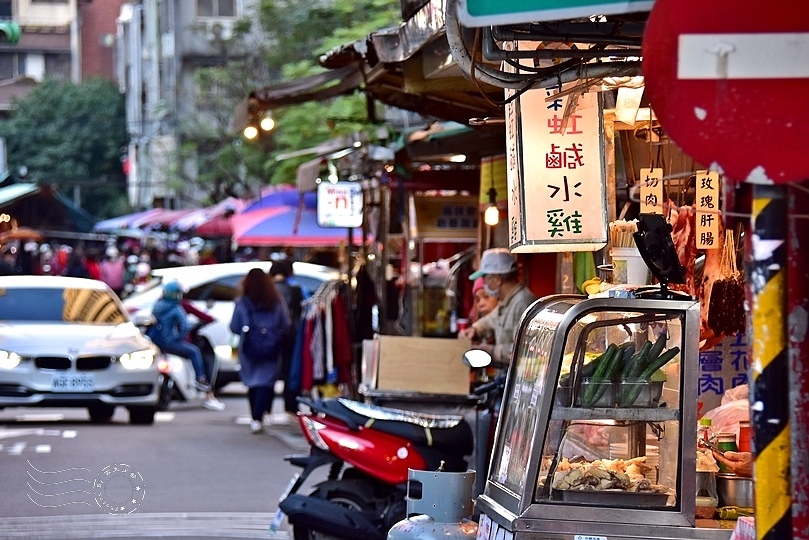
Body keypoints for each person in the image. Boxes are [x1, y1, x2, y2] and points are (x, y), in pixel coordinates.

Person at [230, 268, 291, 433]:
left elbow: (234, 326)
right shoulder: (276, 301)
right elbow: (285, 324)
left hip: (248, 347)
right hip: (272, 347)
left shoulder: (242, 302)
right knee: (265, 381)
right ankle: (260, 417)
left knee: (252, 382)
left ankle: (255, 418)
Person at [149, 281, 222, 410]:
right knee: (194, 352)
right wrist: (179, 338)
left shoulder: (157, 306)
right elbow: (185, 326)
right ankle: (201, 379)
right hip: (171, 343)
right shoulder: (177, 308)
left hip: (157, 343)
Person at [458, 248, 537, 366]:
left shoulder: (523, 302)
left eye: (485, 279)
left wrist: (492, 351)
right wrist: (475, 330)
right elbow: (491, 320)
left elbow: (525, 350)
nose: (484, 284)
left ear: (497, 280)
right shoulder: (506, 302)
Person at [269, 260, 304, 420]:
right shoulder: (296, 289)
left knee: (269, 371)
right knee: (291, 370)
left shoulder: (267, 289)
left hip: (270, 335)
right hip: (291, 335)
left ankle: (264, 408)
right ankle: (291, 406)